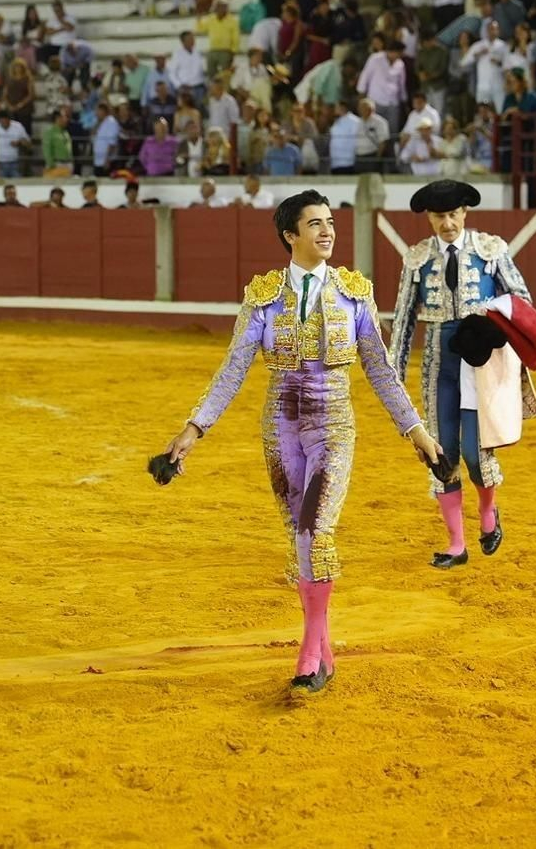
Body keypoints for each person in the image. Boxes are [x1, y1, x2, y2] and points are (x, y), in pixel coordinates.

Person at [162, 190, 442, 694]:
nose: (327, 231)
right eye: (314, 224)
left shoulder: (354, 292)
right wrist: (194, 429)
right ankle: (323, 651)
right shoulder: (264, 296)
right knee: (300, 539)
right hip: (281, 428)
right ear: (290, 235)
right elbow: (234, 368)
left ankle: (309, 654)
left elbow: (379, 368)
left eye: (330, 222)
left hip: (334, 424)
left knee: (317, 530)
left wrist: (415, 429)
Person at [388, 179, 535, 570]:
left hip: (479, 362)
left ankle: (489, 513)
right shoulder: (417, 258)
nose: (448, 223)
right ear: (430, 219)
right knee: (441, 454)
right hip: (439, 366)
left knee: (475, 451)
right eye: (440, 216)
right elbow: (403, 321)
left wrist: (491, 324)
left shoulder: (491, 250)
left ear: (465, 214)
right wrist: (394, 377)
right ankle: (456, 543)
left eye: (454, 214)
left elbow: (522, 300)